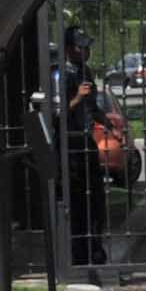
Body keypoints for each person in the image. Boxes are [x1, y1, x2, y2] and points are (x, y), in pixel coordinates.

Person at [57, 26, 107, 269]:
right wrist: (76, 97)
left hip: (86, 143)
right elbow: (55, 113)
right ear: (68, 49)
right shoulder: (61, 74)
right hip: (69, 146)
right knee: (77, 202)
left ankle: (95, 248)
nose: (85, 51)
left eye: (87, 47)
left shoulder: (85, 71)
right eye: (80, 46)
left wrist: (109, 124)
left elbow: (93, 107)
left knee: (95, 199)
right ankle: (78, 253)